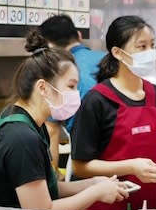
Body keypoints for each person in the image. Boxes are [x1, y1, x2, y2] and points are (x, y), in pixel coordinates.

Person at [0, 30, 129, 210]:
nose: (76, 94)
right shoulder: (22, 138)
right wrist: (95, 193)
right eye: (71, 86)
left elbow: (48, 188)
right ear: (42, 87)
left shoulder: (30, 124)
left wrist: (93, 183)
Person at [71, 15, 156, 210]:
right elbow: (80, 167)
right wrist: (131, 167)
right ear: (117, 52)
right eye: (141, 47)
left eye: (152, 45)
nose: (150, 53)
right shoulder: (97, 100)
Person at [39, 14, 107, 176]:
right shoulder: (107, 58)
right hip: (123, 150)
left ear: (50, 46)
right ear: (79, 35)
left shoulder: (58, 71)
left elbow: (52, 131)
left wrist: (53, 176)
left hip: (86, 158)